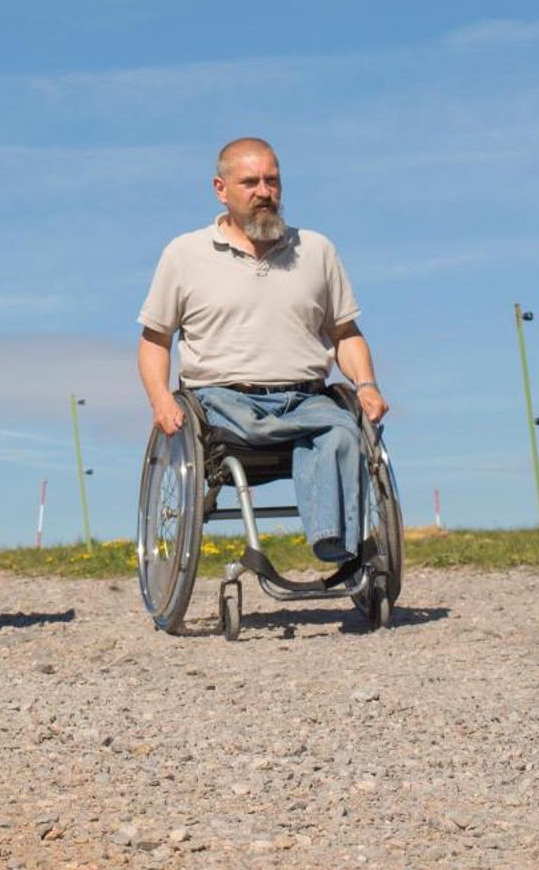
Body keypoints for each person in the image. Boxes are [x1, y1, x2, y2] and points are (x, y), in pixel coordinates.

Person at [137, 136, 388, 565]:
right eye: (250, 182)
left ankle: (336, 543)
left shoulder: (316, 251)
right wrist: (160, 399)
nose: (264, 192)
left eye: (272, 181)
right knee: (270, 427)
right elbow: (155, 340)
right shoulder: (184, 254)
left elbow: (345, 332)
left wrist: (366, 385)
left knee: (343, 431)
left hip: (304, 398)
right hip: (222, 401)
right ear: (221, 189)